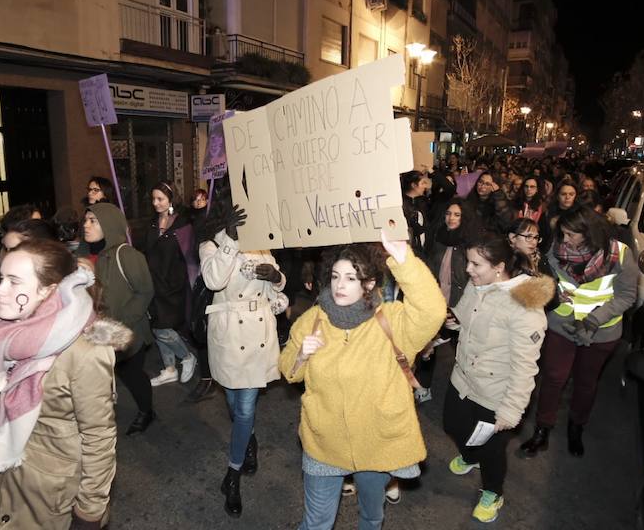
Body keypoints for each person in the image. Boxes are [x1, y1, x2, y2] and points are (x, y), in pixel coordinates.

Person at [279, 231, 445, 530]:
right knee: (316, 521)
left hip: (377, 441)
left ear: (369, 284)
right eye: (335, 276)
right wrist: (302, 355)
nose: (340, 285)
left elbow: (433, 312)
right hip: (324, 442)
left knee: (371, 516)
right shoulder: (312, 320)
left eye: (351, 278)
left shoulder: (393, 320)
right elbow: (289, 370)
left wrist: (404, 261)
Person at [0, 239, 131, 530]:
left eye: (13, 281)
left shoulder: (85, 351)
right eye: (0, 278)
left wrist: (89, 513)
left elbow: (99, 436)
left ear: (47, 290)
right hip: (5, 475)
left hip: (48, 494)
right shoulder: (3, 332)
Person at [443, 232, 555, 523]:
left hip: (494, 392)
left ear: (499, 266)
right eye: (468, 262)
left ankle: (493, 491)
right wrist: (455, 323)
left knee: (492, 451)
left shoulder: (524, 306)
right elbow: (468, 318)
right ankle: (470, 456)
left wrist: (511, 409)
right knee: (452, 424)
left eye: (475, 264)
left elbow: (526, 366)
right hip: (463, 378)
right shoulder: (478, 284)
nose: (468, 270)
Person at [519, 206, 638, 459]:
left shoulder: (619, 254)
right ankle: (543, 429)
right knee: (553, 378)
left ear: (590, 234)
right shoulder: (554, 249)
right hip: (561, 325)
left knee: (586, 383)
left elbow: (627, 295)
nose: (565, 240)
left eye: (571, 235)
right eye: (562, 234)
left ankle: (576, 426)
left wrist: (595, 320)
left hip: (600, 331)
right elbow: (545, 278)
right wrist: (551, 291)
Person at [198, 193, 284, 517]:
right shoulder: (211, 245)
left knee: (245, 408)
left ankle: (232, 476)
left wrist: (275, 277)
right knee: (236, 409)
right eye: (240, 218)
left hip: (259, 335)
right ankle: (248, 440)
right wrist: (231, 241)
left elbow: (278, 285)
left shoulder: (262, 243)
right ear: (228, 217)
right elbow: (213, 279)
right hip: (229, 338)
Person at [83, 203, 157, 434]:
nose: (86, 225)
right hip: (96, 332)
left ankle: (147, 411)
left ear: (109, 224)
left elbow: (145, 291)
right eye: (85, 220)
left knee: (132, 374)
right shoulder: (85, 255)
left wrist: (120, 323)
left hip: (126, 332)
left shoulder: (126, 255)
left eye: (93, 221)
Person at [416, 197, 478, 403]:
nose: (451, 218)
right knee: (427, 346)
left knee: (463, 349)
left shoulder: (470, 243)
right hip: (435, 301)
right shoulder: (437, 236)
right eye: (448, 214)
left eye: (457, 214)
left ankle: (468, 391)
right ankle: (423, 386)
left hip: (459, 304)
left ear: (464, 218)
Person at [138, 181, 198, 386]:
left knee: (163, 328)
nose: (156, 203)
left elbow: (189, 256)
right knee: (156, 327)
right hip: (153, 284)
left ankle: (187, 357)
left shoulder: (182, 224)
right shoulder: (152, 224)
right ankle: (170, 368)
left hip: (174, 286)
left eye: (160, 199)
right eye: (153, 199)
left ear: (171, 199)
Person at [400, 170, 429, 257]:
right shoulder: (402, 204)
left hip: (423, 250)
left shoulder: (422, 201)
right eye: (422, 183)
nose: (425, 186)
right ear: (413, 185)